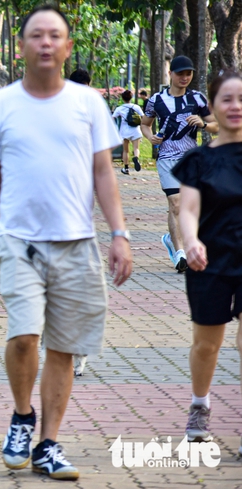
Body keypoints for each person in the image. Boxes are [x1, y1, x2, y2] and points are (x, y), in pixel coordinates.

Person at [0, 6, 132, 480]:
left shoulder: (88, 104)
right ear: (20, 46)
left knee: (64, 347)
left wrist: (119, 234)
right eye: (36, 35)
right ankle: (22, 417)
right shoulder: (0, 105)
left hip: (77, 245)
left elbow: (104, 173)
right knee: (25, 338)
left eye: (54, 36)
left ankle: (48, 444)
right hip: (19, 242)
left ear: (66, 46)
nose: (45, 43)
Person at [172, 70, 242, 453]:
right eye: (227, 99)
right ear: (212, 106)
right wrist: (192, 241)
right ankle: (200, 405)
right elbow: (188, 209)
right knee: (207, 344)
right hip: (209, 260)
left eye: (241, 99)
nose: (235, 106)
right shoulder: (198, 159)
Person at [141, 55, 218, 273]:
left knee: (193, 206)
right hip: (167, 158)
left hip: (192, 159)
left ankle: (172, 238)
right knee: (175, 203)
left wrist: (203, 124)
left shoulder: (197, 99)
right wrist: (150, 137)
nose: (185, 77)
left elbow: (216, 124)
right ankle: (179, 253)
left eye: (188, 73)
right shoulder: (156, 100)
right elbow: (145, 124)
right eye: (180, 73)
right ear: (170, 74)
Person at [111, 90, 145, 174]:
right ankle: (136, 158)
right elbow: (143, 117)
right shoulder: (136, 107)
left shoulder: (119, 108)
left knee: (125, 151)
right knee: (136, 148)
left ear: (123, 98)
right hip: (135, 130)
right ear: (131, 98)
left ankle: (126, 168)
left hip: (125, 131)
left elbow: (112, 118)